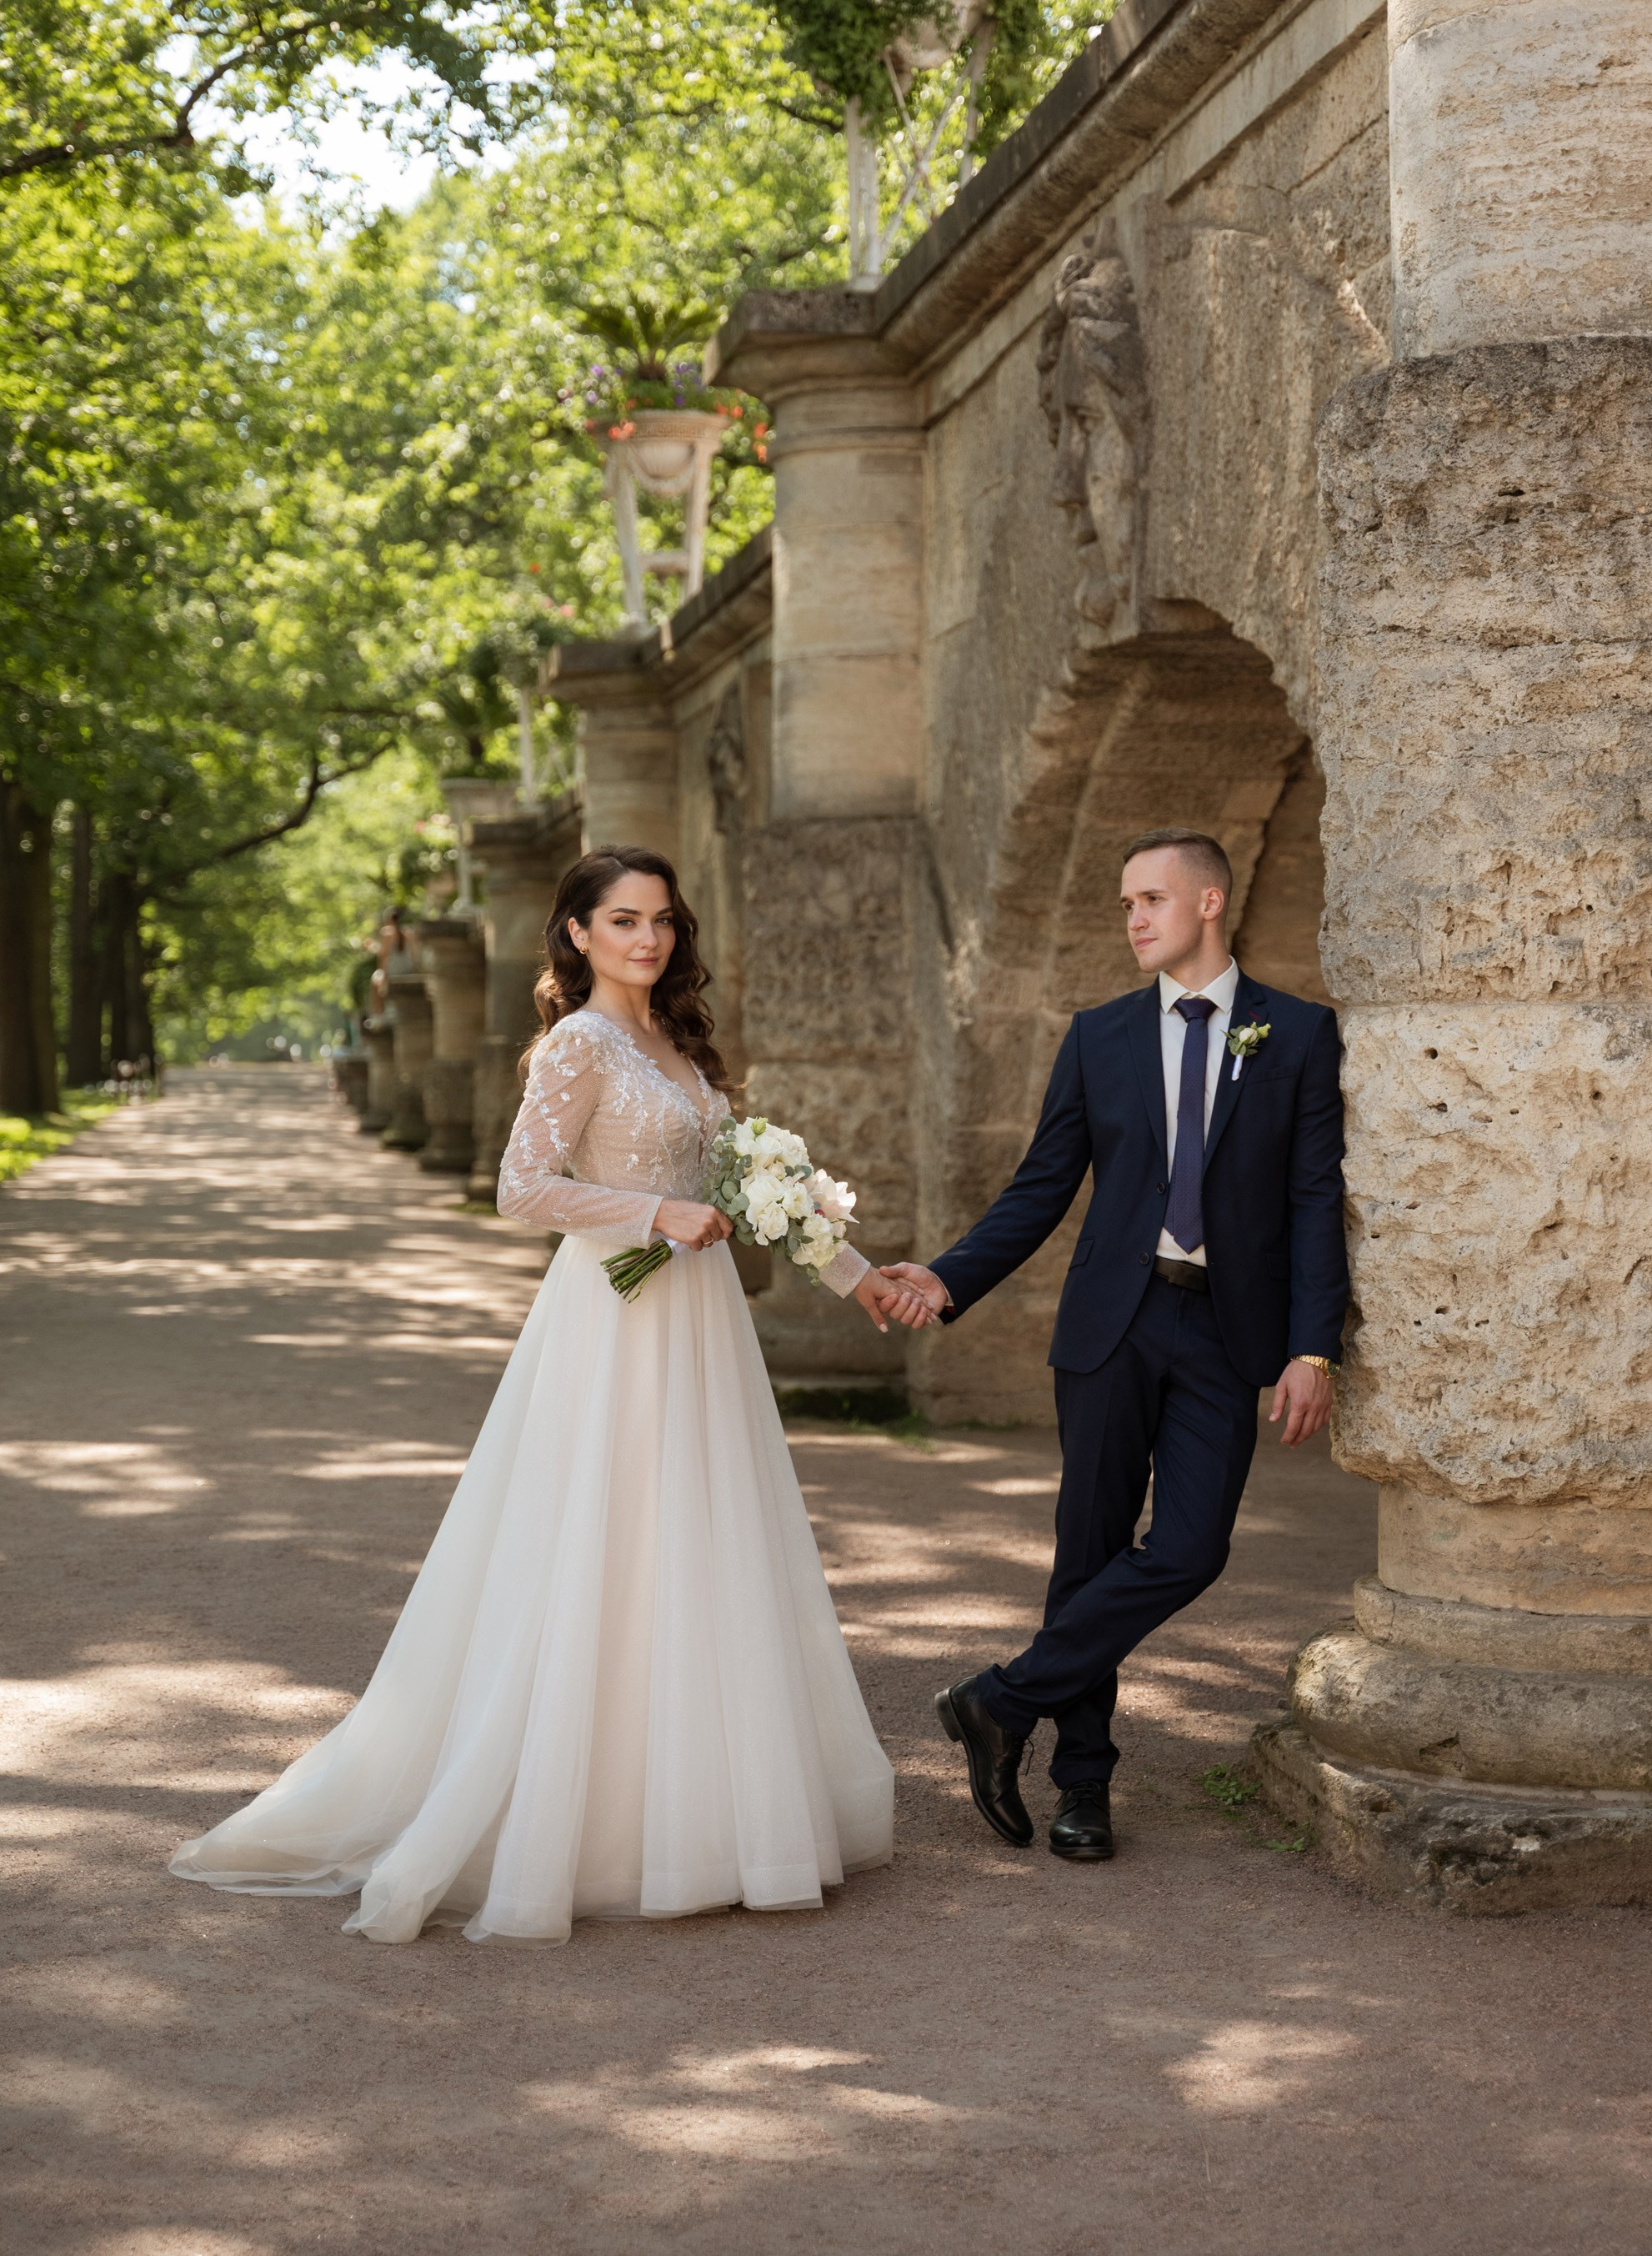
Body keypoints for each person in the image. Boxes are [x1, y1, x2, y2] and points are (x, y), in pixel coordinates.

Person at [172, 845, 924, 1943]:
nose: (648, 939)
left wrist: (863, 1276)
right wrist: (652, 1215)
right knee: (607, 1545)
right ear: (576, 933)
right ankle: (590, 1823)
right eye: (623, 921)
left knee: (704, 1546)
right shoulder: (577, 1044)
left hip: (700, 1327)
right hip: (616, 1324)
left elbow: (754, 1182)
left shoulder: (674, 1041)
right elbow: (521, 1189)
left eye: (661, 920)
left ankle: (717, 1816)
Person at [880, 828, 1348, 1865]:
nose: (1132, 916)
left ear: (1209, 901)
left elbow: (1317, 1197)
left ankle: (996, 1700)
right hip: (1110, 1323)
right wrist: (949, 1275)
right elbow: (1041, 1185)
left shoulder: (1299, 1033)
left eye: (1150, 897)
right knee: (1086, 1551)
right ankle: (1080, 1787)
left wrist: (1314, 1345)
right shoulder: (1098, 1036)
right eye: (1124, 901)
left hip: (1229, 1334)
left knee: (1189, 1547)